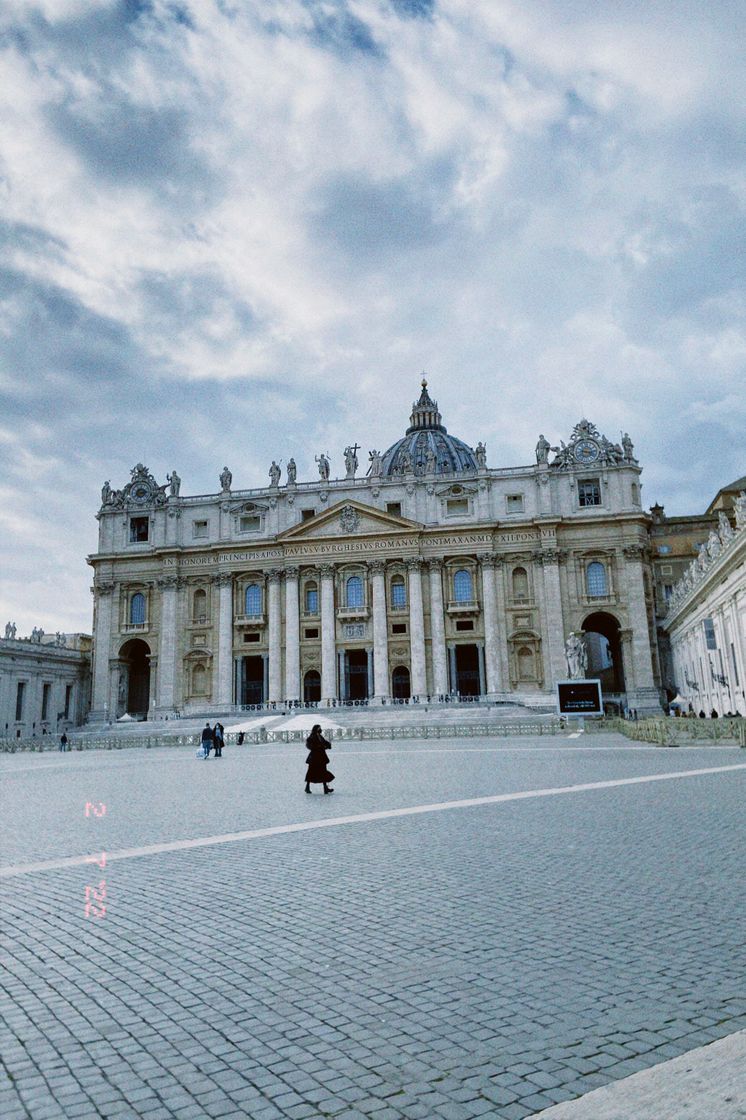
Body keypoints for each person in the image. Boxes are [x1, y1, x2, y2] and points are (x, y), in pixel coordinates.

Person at [304, 724, 334, 794]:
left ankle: (325, 788)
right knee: (311, 772)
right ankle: (307, 787)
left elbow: (324, 742)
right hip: (315, 757)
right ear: (316, 729)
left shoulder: (319, 736)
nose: (320, 730)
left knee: (323, 772)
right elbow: (311, 746)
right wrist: (320, 747)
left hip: (320, 757)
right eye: (319, 728)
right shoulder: (313, 736)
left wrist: (328, 745)